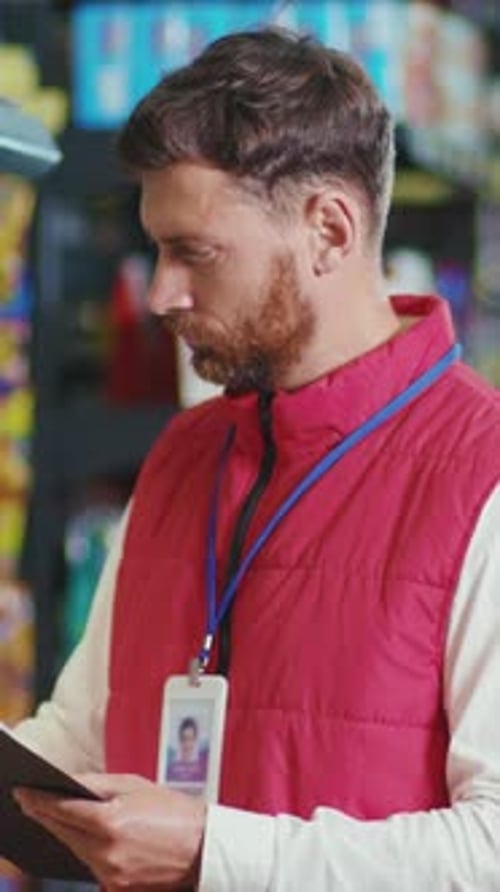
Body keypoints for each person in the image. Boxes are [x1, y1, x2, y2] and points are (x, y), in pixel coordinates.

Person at [12, 26, 500, 891]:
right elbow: (79, 744)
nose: (162, 294)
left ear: (330, 230)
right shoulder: (182, 457)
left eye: (193, 252)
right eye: (155, 249)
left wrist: (216, 852)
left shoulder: (480, 470)